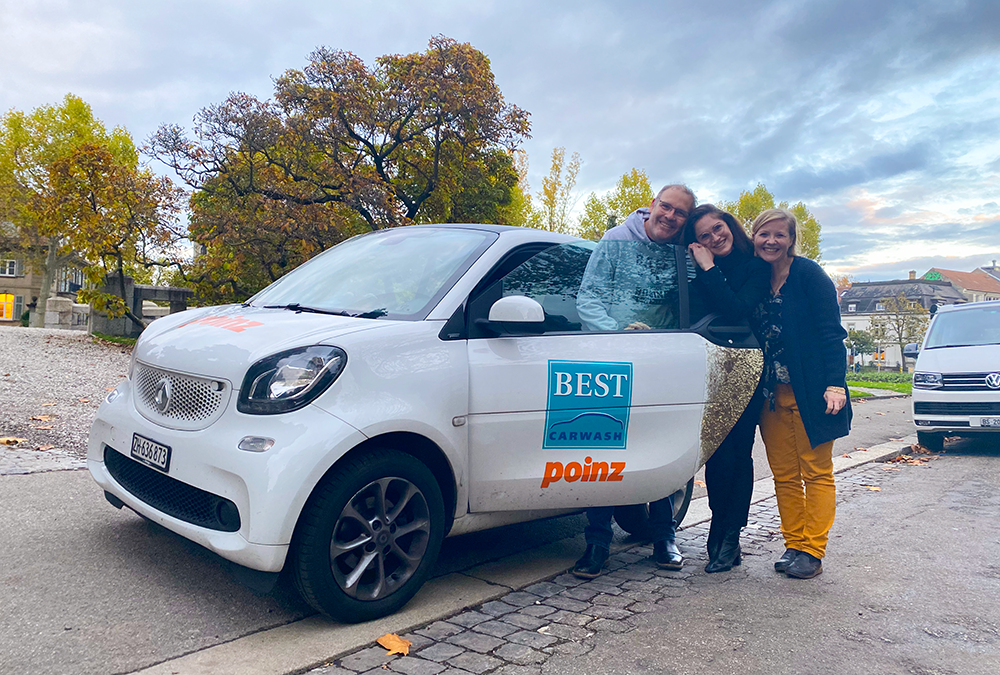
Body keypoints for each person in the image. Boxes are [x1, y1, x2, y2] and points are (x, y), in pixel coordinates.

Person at [571, 184, 696, 579]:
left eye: (680, 213)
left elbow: (689, 305)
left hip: (661, 365)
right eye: (666, 207)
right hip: (608, 359)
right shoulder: (615, 240)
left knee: (660, 446)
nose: (671, 217)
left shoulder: (683, 252)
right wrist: (620, 337)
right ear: (652, 206)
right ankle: (597, 543)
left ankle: (664, 537)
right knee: (601, 448)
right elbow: (588, 297)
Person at [750, 208, 852, 579]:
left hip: (812, 392)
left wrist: (835, 384)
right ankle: (793, 543)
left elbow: (831, 334)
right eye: (764, 234)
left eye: (779, 235)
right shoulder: (757, 278)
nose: (771, 241)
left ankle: (813, 549)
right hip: (772, 395)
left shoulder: (809, 275)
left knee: (816, 471)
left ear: (791, 240)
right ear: (754, 237)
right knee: (784, 474)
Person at [684, 204, 770, 573]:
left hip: (747, 368)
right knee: (716, 454)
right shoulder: (694, 272)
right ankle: (718, 530)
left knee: (738, 452)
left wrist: (708, 268)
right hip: (711, 367)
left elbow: (736, 309)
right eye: (704, 235)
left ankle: (730, 534)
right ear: (696, 242)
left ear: (729, 225)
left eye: (718, 228)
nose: (715, 237)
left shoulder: (754, 267)